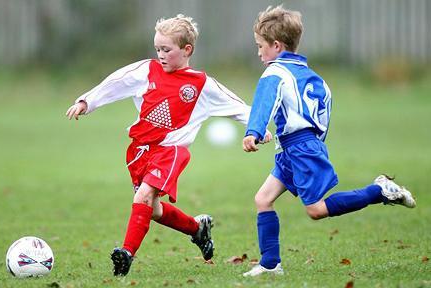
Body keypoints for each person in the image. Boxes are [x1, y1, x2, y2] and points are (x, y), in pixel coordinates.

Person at [66, 14, 271, 277]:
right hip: (140, 150)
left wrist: (258, 127)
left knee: (142, 197)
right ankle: (197, 230)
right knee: (152, 209)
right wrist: (87, 102)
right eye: (158, 49)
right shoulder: (146, 70)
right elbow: (116, 83)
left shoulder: (200, 84)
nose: (161, 55)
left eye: (167, 50)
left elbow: (235, 106)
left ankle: (126, 254)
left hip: (171, 151)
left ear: (187, 50)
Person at [242, 5, 416, 277]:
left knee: (315, 210)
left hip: (299, 148)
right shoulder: (316, 79)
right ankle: (270, 263)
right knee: (263, 198)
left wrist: (253, 131)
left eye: (260, 45)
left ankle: (379, 191)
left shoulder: (274, 73)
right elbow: (321, 116)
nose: (259, 52)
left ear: (276, 45)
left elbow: (263, 104)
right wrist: (308, 144)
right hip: (298, 146)